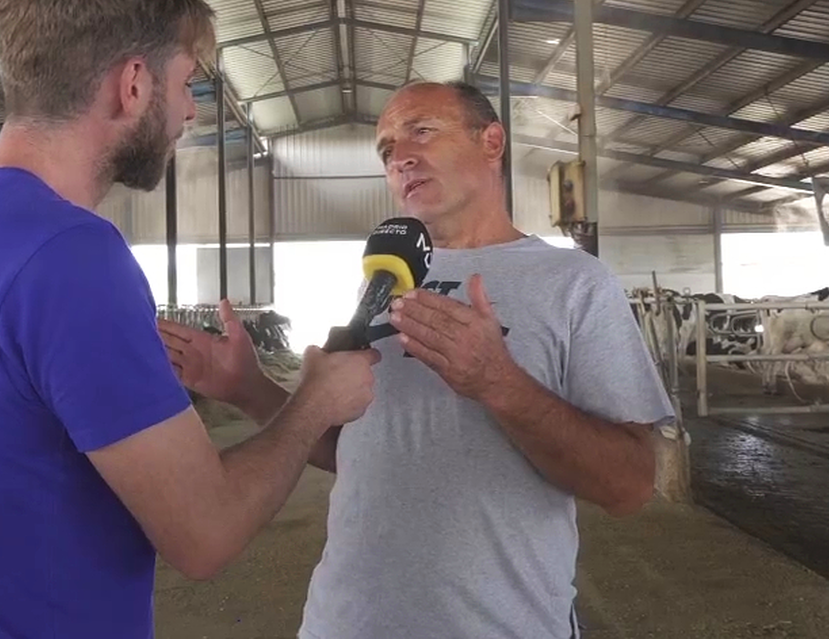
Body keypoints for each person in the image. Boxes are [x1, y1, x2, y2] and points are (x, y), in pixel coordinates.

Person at [0, 0, 379, 639]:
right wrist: (316, 399)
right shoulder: (71, 256)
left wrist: (252, 389)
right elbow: (206, 532)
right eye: (185, 81)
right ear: (132, 84)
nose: (191, 112)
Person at [158, 80, 676, 638]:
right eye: (386, 151)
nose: (400, 157)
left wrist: (500, 382)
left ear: (492, 141)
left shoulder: (576, 284)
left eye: (422, 132)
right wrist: (248, 388)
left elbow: (630, 486)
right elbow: (361, 453)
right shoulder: (385, 280)